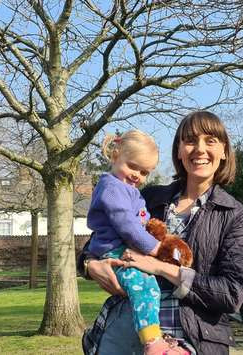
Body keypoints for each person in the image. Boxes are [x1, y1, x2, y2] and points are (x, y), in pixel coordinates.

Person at [81, 111, 243, 355]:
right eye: (190, 140)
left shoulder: (235, 216)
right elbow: (97, 241)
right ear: (179, 151)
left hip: (191, 340)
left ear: (224, 151)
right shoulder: (148, 197)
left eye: (211, 141)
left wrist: (161, 267)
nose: (200, 149)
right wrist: (90, 265)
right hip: (122, 334)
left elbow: (231, 293)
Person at [87, 130, 188, 355]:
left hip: (119, 248)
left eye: (144, 172)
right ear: (115, 156)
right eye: (133, 167)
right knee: (144, 287)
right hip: (115, 251)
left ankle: (154, 338)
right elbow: (127, 226)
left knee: (146, 286)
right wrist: (155, 248)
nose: (137, 176)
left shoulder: (126, 188)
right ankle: (152, 341)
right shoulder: (112, 188)